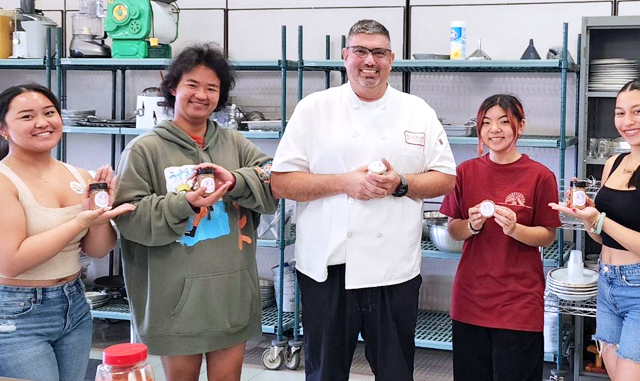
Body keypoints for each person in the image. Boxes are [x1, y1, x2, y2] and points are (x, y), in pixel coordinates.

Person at [270, 19, 457, 381]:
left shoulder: (418, 110)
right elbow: (281, 182)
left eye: (379, 52)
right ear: (345, 56)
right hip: (327, 267)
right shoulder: (314, 108)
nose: (369, 61)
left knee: (396, 372)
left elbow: (446, 178)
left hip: (394, 269)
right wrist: (345, 183)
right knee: (325, 371)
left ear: (391, 59)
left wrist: (400, 183)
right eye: (360, 51)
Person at [113, 43, 277, 381]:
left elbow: (272, 176)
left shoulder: (234, 143)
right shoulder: (144, 150)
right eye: (192, 84)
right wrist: (183, 203)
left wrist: (235, 180)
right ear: (173, 87)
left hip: (230, 294)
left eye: (212, 88)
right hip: (175, 300)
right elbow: (128, 217)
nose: (201, 95)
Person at [0, 83, 134, 381]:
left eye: (49, 112)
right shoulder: (4, 181)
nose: (42, 122)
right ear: (3, 129)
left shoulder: (79, 176)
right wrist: (80, 222)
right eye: (26, 116)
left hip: (74, 303)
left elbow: (98, 250)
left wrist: (100, 216)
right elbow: (12, 260)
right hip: (16, 311)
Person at [550, 79, 640, 381]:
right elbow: (601, 236)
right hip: (607, 285)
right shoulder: (613, 163)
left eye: (637, 111)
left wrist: (602, 220)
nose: (627, 122)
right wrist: (587, 218)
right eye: (620, 113)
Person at [440, 94, 561, 381]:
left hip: (519, 303)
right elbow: (453, 228)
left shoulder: (540, 176)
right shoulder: (465, 172)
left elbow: (547, 236)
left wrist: (515, 229)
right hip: (470, 299)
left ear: (520, 125)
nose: (494, 130)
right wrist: (471, 225)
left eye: (504, 122)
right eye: (486, 123)